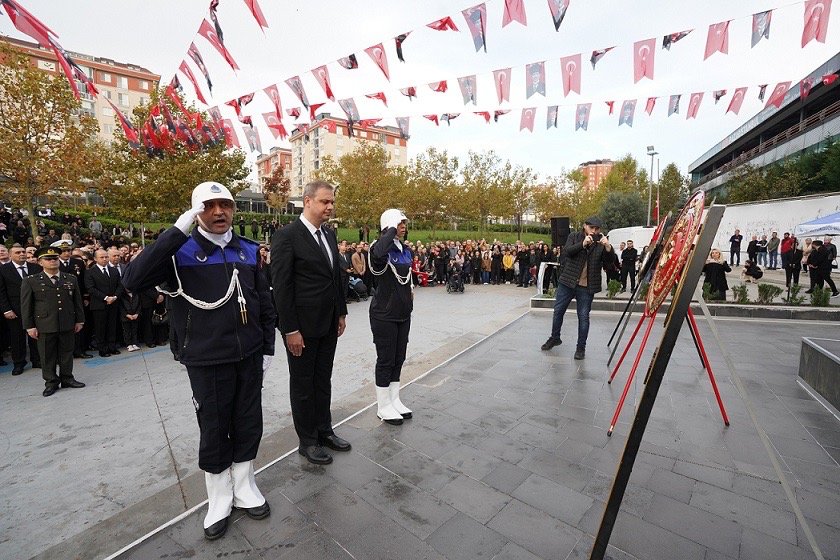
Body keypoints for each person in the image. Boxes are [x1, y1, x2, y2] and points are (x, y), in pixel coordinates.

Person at [123, 181, 275, 540]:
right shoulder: (180, 252)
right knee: (214, 424)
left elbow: (265, 304)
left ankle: (244, 486)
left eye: (225, 205)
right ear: (196, 212)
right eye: (208, 206)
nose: (219, 212)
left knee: (248, 419)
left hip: (249, 354)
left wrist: (267, 347)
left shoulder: (249, 250)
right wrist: (177, 231)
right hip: (207, 357)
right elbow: (132, 279)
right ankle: (219, 497)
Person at [270, 180, 351, 466]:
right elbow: (281, 287)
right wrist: (290, 328)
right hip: (301, 328)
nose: (330, 207)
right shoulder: (286, 236)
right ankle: (307, 441)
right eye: (324, 202)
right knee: (303, 385)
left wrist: (340, 313)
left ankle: (324, 430)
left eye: (332, 202)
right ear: (307, 201)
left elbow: (334, 278)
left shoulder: (329, 236)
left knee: (322, 380)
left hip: (328, 322)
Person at [542, 216, 614, 359]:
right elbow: (567, 252)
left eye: (597, 229)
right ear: (585, 226)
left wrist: (608, 248)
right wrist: (583, 244)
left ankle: (581, 347)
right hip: (568, 281)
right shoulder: (574, 236)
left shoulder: (600, 242)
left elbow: (609, 263)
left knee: (583, 317)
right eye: (592, 228)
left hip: (587, 286)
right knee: (558, 311)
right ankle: (555, 337)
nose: (594, 231)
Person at [368, 209, 414, 426]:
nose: (404, 226)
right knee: (385, 360)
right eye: (400, 223)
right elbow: (377, 257)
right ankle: (383, 405)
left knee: (398, 358)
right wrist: (390, 228)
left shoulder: (403, 249)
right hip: (384, 314)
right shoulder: (379, 248)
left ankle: (395, 399)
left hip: (402, 313)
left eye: (404, 223)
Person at [20, 246, 86, 397]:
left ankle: (67, 378)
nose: (52, 261)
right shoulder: (31, 281)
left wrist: (80, 320)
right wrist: (29, 326)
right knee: (47, 355)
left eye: (55, 258)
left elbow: (77, 302)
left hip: (67, 322)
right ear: (40, 262)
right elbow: (26, 306)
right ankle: (51, 382)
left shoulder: (70, 278)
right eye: (48, 259)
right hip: (45, 324)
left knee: (66, 353)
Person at [0, 245, 42, 374]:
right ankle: (19, 363)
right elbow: (1, 292)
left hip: (36, 308)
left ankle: (37, 360)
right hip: (15, 309)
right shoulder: (3, 270)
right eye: (18, 252)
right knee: (17, 337)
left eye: (23, 252)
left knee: (36, 335)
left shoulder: (35, 267)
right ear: (11, 256)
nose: (22, 254)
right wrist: (6, 310)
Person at [85, 249, 123, 357]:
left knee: (112, 326)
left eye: (106, 257)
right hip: (99, 304)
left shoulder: (114, 271)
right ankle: (102, 349)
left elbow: (120, 285)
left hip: (113, 303)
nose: (105, 259)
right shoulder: (90, 272)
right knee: (100, 328)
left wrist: (115, 296)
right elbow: (90, 288)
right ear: (95, 259)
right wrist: (106, 298)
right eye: (102, 257)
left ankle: (112, 346)